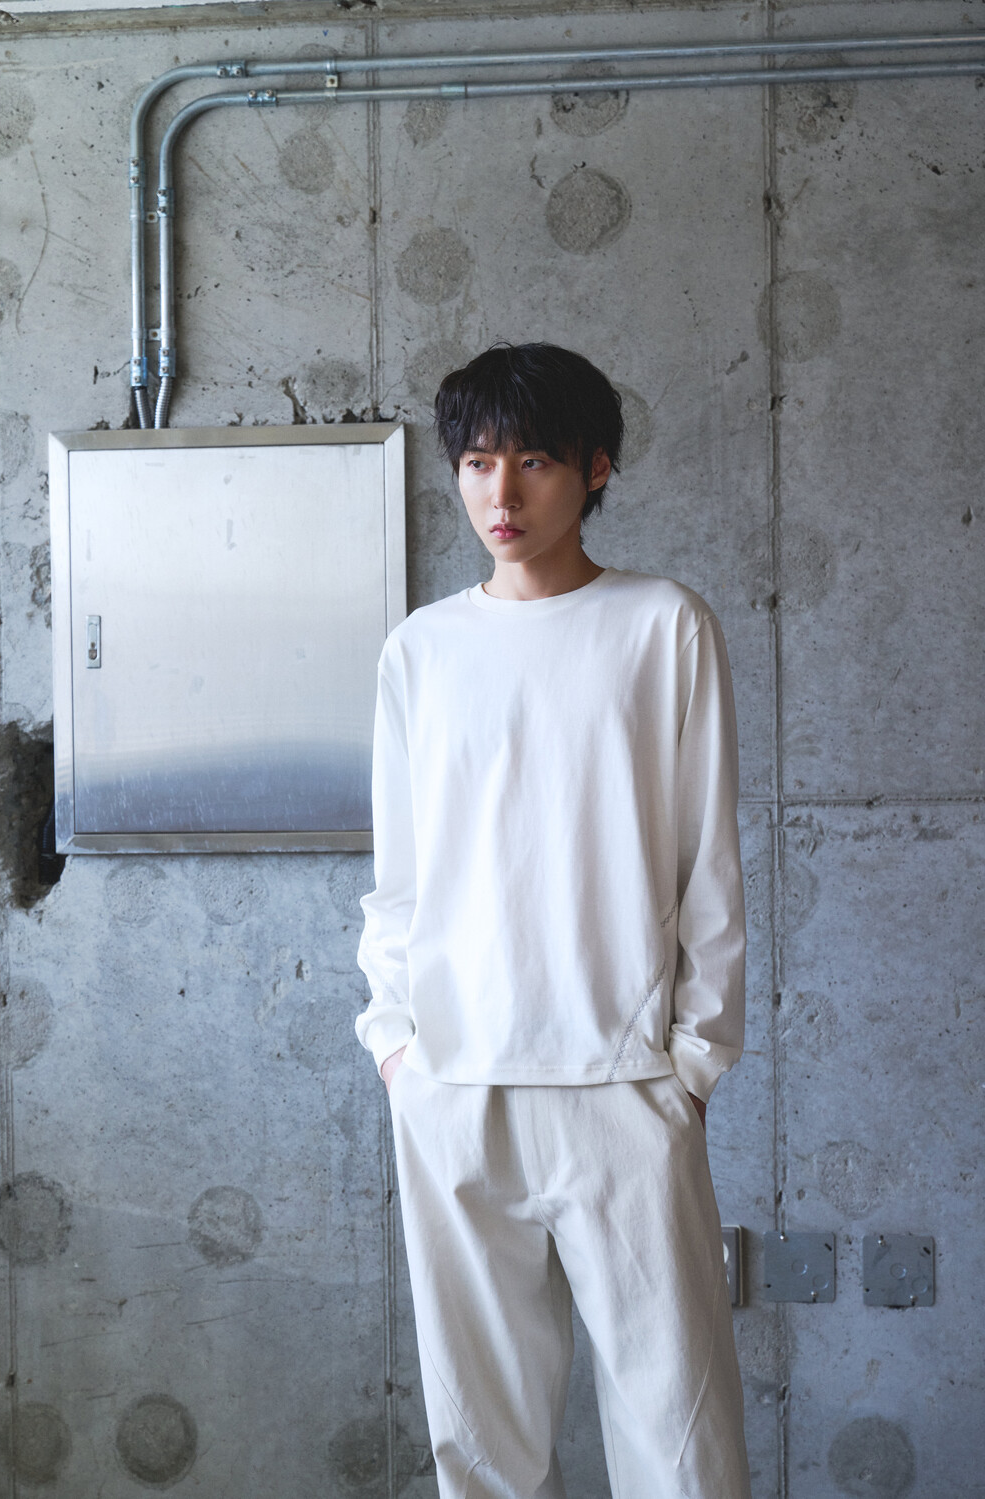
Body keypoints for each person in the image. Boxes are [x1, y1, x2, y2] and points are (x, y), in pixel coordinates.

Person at [355, 341, 752, 1499]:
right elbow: (400, 874)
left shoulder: (662, 625)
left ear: (596, 467)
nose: (501, 493)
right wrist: (395, 1042)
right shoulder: (420, 650)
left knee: (679, 1439)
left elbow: (707, 862)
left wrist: (692, 1061)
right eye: (477, 462)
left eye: (532, 460)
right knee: (480, 1445)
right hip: (453, 1079)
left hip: (624, 1081)